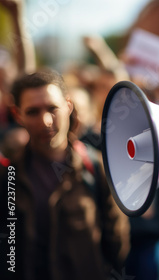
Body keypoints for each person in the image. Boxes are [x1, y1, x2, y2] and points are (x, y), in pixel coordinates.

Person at [0, 69, 129, 280]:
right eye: (33, 111)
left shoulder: (95, 166)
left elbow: (116, 241)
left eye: (53, 108)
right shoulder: (9, 175)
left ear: (68, 106)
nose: (46, 121)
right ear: (17, 115)